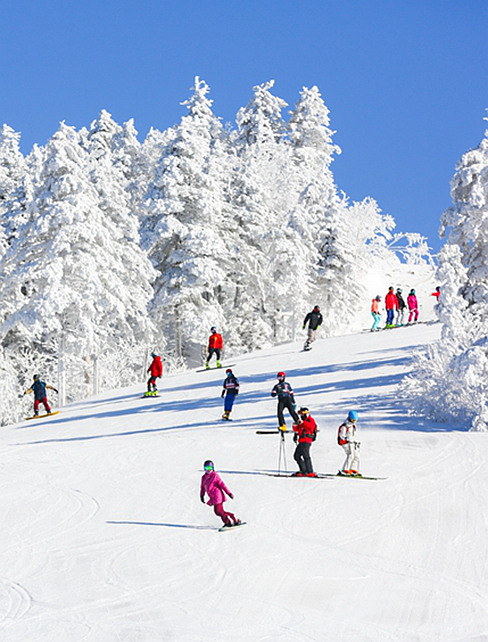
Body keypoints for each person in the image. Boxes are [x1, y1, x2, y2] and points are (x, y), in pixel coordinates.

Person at [200, 460, 240, 528]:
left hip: (218, 495)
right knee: (219, 512)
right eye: (206, 468)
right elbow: (202, 487)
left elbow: (222, 485)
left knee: (218, 511)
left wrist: (229, 493)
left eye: (210, 468)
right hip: (212, 497)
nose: (208, 470)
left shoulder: (215, 475)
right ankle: (228, 520)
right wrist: (202, 495)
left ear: (213, 468)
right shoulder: (203, 477)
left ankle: (229, 520)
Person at [292, 407, 318, 477]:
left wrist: (303, 422)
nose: (301, 416)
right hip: (301, 441)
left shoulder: (310, 420)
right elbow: (297, 429)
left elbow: (311, 427)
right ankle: (303, 470)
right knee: (296, 456)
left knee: (306, 456)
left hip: (306, 440)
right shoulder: (302, 421)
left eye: (302, 414)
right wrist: (294, 425)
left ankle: (310, 471)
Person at [337, 410, 361, 476]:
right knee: (350, 455)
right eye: (353, 420)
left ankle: (353, 469)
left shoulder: (352, 426)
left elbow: (353, 435)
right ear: (349, 418)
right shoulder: (345, 426)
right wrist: (347, 439)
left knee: (356, 456)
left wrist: (356, 441)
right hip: (346, 443)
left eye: (355, 420)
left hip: (353, 443)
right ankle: (345, 470)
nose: (354, 422)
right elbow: (342, 436)